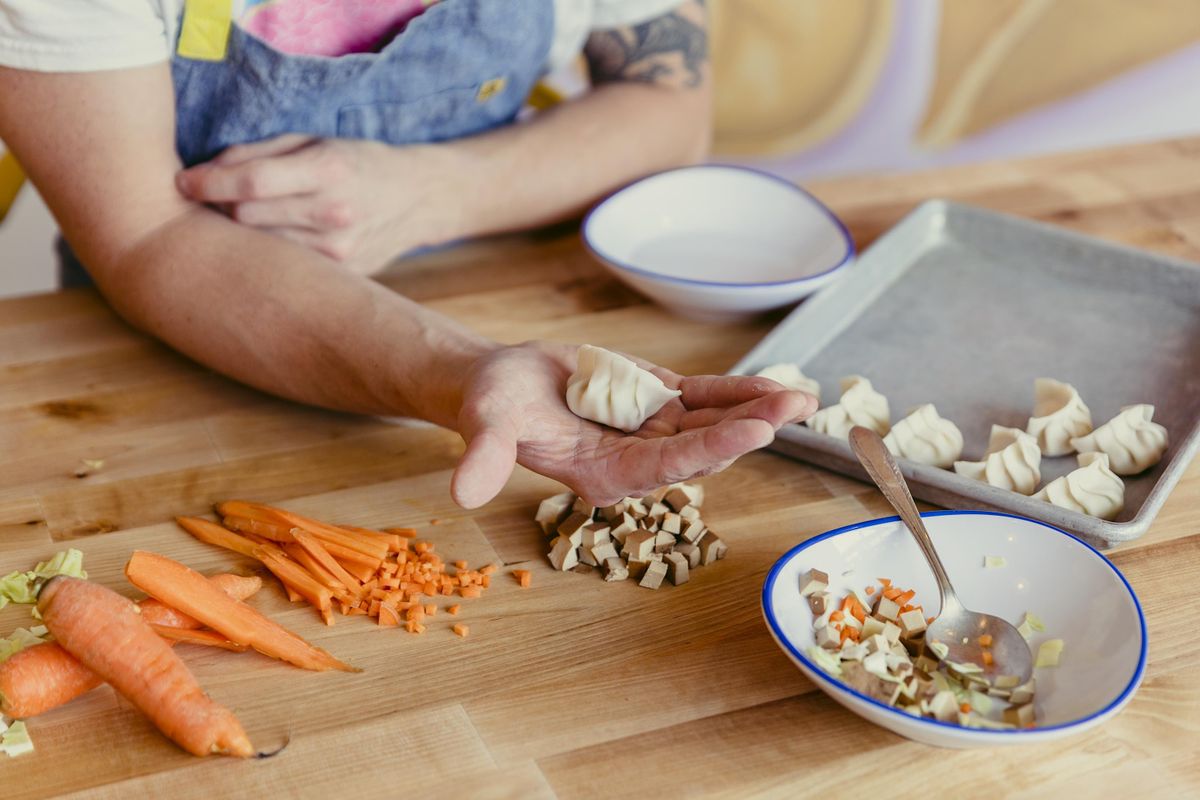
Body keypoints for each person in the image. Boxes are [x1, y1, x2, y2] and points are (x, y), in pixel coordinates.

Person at [0, 0, 815, 508]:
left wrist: (432, 192)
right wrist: (462, 372)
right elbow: (148, 233)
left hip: (513, 286)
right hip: (174, 361)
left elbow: (670, 110)